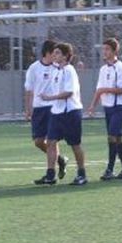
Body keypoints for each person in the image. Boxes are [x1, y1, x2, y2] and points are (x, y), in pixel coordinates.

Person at [36, 42, 88, 186]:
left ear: (65, 56)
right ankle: (50, 174)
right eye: (54, 52)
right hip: (57, 112)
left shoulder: (69, 70)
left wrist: (49, 98)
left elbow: (69, 92)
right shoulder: (56, 71)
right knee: (51, 142)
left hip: (70, 112)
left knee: (75, 144)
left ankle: (82, 174)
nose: (54, 55)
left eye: (58, 53)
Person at [86, 37, 122, 180]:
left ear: (114, 51)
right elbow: (99, 90)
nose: (104, 52)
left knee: (112, 136)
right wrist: (93, 105)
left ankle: (109, 169)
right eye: (103, 49)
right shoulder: (103, 69)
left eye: (107, 49)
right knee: (117, 138)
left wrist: (107, 89)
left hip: (120, 106)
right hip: (108, 107)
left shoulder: (121, 67)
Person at [25, 39, 67, 181]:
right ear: (48, 53)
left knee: (52, 140)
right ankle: (60, 159)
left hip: (53, 108)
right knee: (38, 141)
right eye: (54, 53)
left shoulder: (59, 68)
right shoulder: (34, 68)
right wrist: (28, 109)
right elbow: (29, 90)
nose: (57, 56)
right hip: (38, 109)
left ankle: (50, 174)